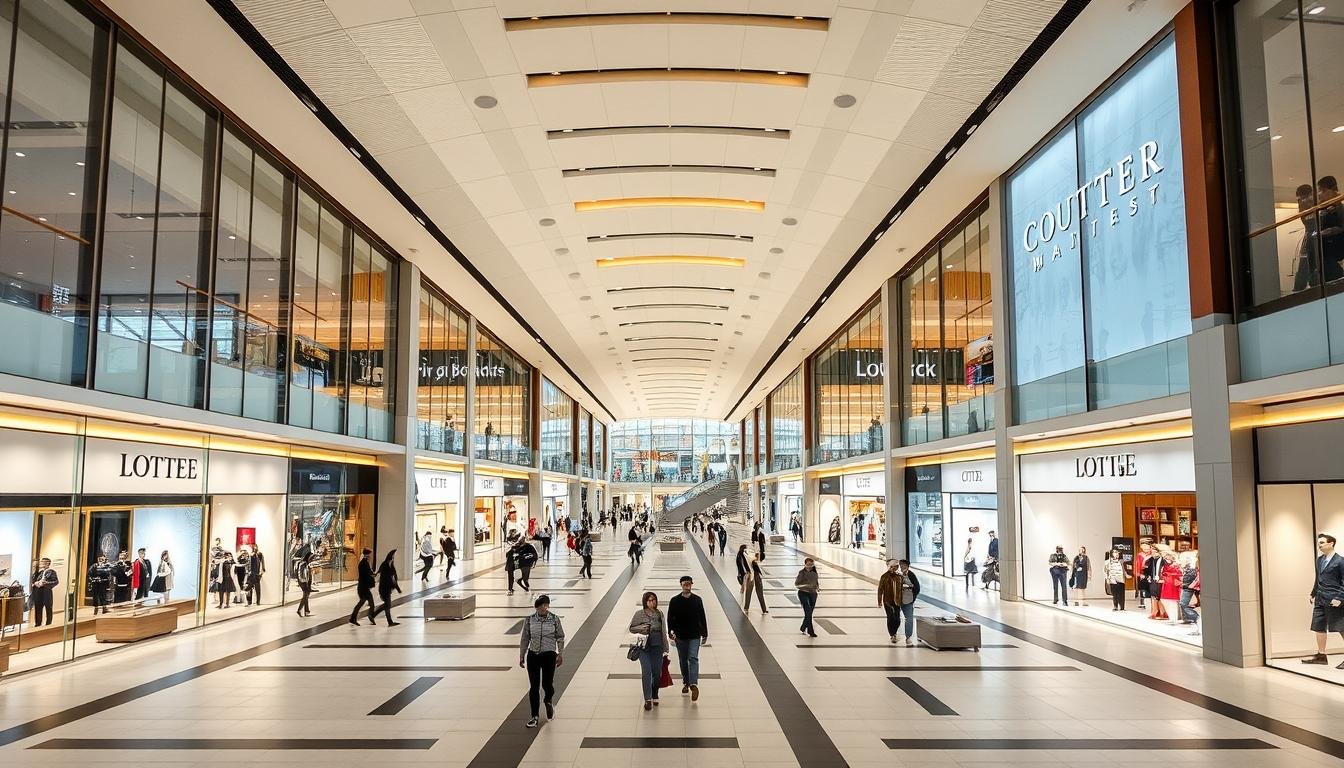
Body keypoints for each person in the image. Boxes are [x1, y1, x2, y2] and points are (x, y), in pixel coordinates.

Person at [519, 594, 565, 728]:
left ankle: (548, 701)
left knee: (547, 684)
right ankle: (534, 716)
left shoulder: (554, 619)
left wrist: (560, 654)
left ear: (548, 605)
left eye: (545, 605)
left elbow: (560, 637)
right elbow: (525, 638)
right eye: (540, 606)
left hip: (549, 655)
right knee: (534, 687)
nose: (543, 608)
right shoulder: (529, 620)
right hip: (533, 655)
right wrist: (522, 655)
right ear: (536, 608)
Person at [1302, 533, 1344, 667]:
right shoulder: (1319, 560)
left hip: (1334, 600)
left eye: (1322, 542)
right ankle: (1321, 656)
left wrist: (1340, 598)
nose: (1319, 545)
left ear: (1331, 543)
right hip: (1320, 598)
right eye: (1318, 543)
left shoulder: (1340, 561)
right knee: (1318, 626)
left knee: (1341, 627)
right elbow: (1318, 578)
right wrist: (1313, 593)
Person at [667, 576, 708, 702]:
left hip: (695, 635)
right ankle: (686, 682)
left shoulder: (697, 600)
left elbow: (702, 616)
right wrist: (670, 632)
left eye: (689, 584)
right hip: (681, 636)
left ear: (691, 585)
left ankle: (693, 684)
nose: (687, 586)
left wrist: (705, 633)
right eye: (685, 584)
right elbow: (670, 618)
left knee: (693, 658)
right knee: (683, 660)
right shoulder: (675, 600)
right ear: (681, 585)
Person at [629, 591, 669, 711]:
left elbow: (663, 631)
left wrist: (665, 647)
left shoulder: (659, 613)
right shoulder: (639, 614)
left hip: (657, 645)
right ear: (645, 602)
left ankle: (654, 693)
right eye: (649, 600)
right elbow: (631, 628)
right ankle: (647, 699)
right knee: (646, 671)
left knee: (657, 672)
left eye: (654, 600)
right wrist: (641, 628)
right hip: (644, 647)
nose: (652, 602)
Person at [366, 549, 402, 626]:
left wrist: (396, 587)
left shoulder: (391, 566)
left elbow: (393, 578)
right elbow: (388, 578)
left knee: (387, 605)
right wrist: (396, 587)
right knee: (387, 604)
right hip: (384, 588)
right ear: (391, 557)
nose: (394, 558)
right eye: (393, 556)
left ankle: (379, 617)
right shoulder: (385, 565)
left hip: (387, 588)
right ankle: (374, 615)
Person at [349, 548, 377, 626]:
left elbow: (367, 573)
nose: (371, 556)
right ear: (367, 554)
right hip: (363, 587)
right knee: (370, 602)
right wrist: (372, 575)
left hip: (363, 587)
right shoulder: (364, 563)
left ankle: (353, 618)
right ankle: (370, 616)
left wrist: (372, 574)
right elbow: (366, 574)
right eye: (370, 554)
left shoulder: (364, 562)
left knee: (362, 602)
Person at [878, 559, 902, 644]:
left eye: (897, 566)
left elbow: (902, 588)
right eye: (895, 566)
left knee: (897, 619)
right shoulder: (884, 576)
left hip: (897, 601)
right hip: (887, 601)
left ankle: (894, 632)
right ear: (891, 567)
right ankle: (892, 634)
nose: (896, 568)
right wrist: (879, 601)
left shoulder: (899, 576)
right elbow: (880, 589)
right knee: (890, 617)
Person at [897, 560, 921, 645]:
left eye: (904, 565)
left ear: (907, 566)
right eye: (901, 565)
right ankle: (894, 634)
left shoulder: (911, 575)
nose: (902, 566)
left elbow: (917, 588)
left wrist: (913, 598)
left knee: (909, 619)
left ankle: (908, 637)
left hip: (908, 600)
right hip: (897, 599)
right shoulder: (897, 574)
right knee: (895, 618)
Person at [1157, 551, 1183, 625]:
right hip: (1166, 584)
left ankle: (1174, 619)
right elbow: (1162, 574)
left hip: (1172, 585)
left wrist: (1168, 574)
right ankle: (1171, 618)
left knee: (1172, 602)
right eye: (1166, 558)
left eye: (1168, 557)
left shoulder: (1176, 565)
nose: (1167, 559)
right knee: (1164, 600)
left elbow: (1179, 574)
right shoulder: (1165, 566)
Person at [30, 557, 57, 626]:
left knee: (48, 608)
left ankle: (48, 623)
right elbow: (33, 580)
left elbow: (56, 582)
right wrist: (35, 582)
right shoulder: (40, 572)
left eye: (43, 562)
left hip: (46, 592)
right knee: (38, 608)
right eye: (41, 562)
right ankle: (38, 624)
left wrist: (46, 583)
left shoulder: (51, 572)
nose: (41, 563)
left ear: (48, 563)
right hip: (38, 592)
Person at [796, 557, 819, 638]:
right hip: (803, 593)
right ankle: (810, 631)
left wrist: (816, 587)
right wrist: (807, 586)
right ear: (805, 564)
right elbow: (797, 584)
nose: (809, 566)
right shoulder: (801, 573)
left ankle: (803, 627)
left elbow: (816, 583)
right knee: (808, 612)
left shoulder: (815, 573)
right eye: (808, 565)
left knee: (809, 613)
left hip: (813, 594)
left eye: (811, 565)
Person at [1178, 552, 1200, 633]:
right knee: (1184, 604)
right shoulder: (1186, 567)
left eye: (1188, 558)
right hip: (1187, 587)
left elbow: (1190, 579)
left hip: (1189, 588)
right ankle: (1189, 619)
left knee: (1183, 604)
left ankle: (1195, 617)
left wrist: (1184, 584)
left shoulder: (1192, 567)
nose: (1186, 559)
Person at [294, 552, 315, 617]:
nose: (312, 560)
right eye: (311, 558)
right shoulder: (303, 564)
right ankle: (299, 610)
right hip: (303, 582)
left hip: (305, 582)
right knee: (305, 596)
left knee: (306, 596)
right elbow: (300, 574)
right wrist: (304, 582)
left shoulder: (306, 564)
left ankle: (306, 611)